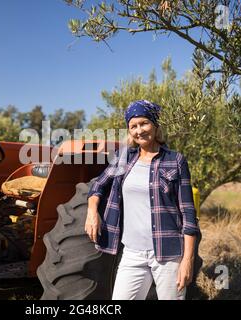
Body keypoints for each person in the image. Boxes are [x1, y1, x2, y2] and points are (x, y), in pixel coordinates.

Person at [85, 100, 200, 300]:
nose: (139, 130)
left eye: (144, 123)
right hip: (132, 253)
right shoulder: (124, 158)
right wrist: (92, 212)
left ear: (155, 125)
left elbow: (188, 215)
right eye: (133, 126)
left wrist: (187, 260)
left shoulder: (175, 160)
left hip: (168, 255)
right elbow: (98, 185)